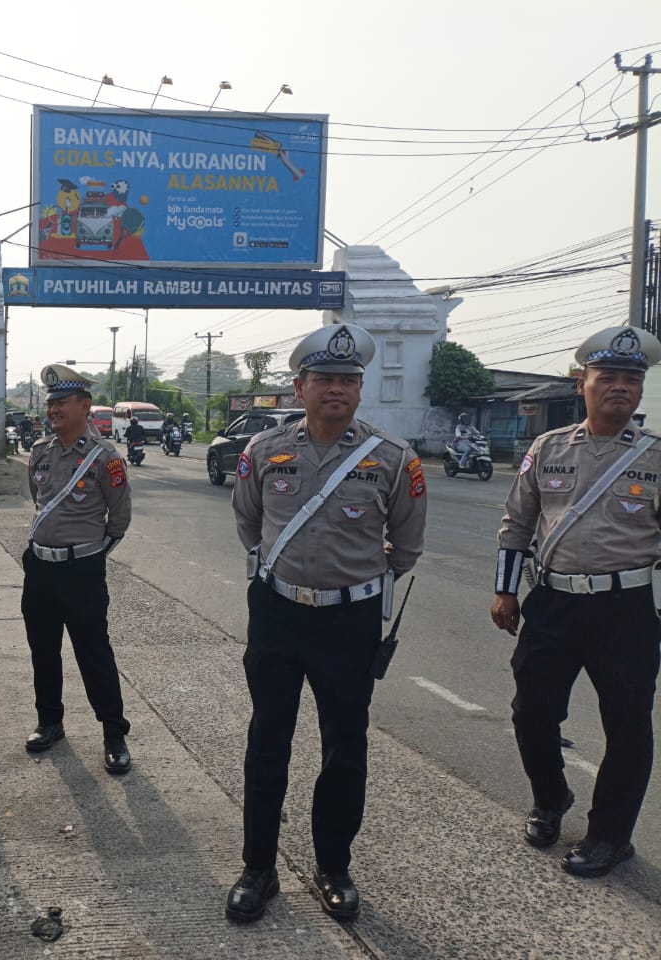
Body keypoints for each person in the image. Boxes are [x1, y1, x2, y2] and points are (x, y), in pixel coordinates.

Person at [227, 324, 427, 923]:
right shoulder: (263, 450)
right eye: (323, 379)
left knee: (345, 746)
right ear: (300, 387)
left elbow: (406, 546)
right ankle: (258, 869)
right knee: (267, 742)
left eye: (347, 380)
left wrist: (351, 584)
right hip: (278, 615)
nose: (335, 389)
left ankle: (334, 868)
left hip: (350, 622)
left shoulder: (394, 459)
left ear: (360, 390)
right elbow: (249, 524)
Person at [491, 324, 661, 878]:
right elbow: (517, 523)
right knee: (531, 712)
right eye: (606, 376)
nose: (619, 386)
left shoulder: (656, 456)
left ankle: (610, 836)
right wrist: (505, 590)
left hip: (625, 610)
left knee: (628, 726)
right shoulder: (548, 447)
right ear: (582, 383)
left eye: (630, 379)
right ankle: (551, 798)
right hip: (553, 603)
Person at [22, 363, 133, 774]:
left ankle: (114, 733)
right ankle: (50, 722)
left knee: (93, 653)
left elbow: (119, 520)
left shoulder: (106, 458)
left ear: (85, 406)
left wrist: (89, 557)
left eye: (62, 402)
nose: (53, 409)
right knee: (43, 650)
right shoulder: (40, 452)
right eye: (50, 402)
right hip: (40, 569)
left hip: (82, 571)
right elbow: (37, 498)